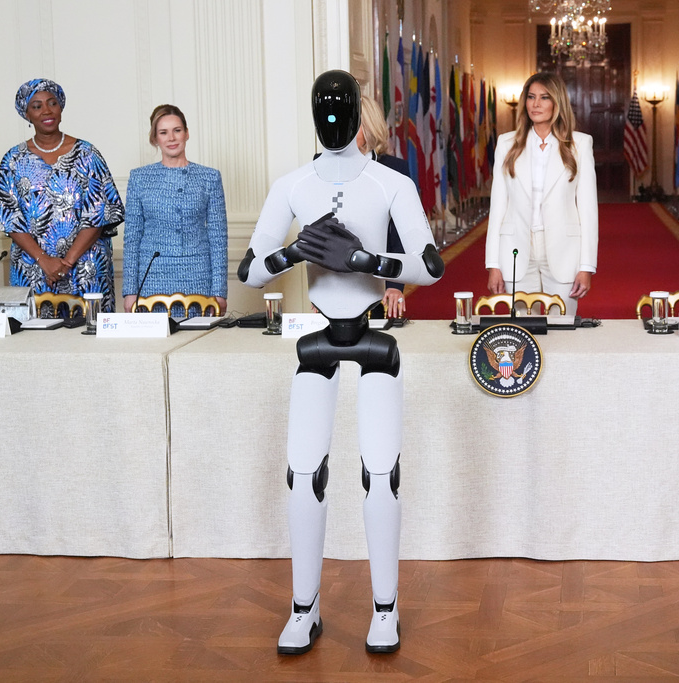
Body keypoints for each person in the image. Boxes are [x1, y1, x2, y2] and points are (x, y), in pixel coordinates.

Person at [238, 70, 443, 655]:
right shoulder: (293, 185)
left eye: (340, 106)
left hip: (372, 335)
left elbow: (429, 265)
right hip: (320, 337)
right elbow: (250, 270)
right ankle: (304, 607)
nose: (333, 117)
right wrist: (294, 252)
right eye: (323, 107)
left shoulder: (389, 184)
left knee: (381, 474)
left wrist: (364, 259)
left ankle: (386, 607)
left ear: (357, 111)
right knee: (304, 476)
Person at [0, 78, 124, 312]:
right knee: (34, 342)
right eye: (37, 106)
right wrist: (44, 260)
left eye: (52, 103)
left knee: (90, 341)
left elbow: (99, 213)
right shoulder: (13, 160)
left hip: (85, 267)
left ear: (61, 108)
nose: (47, 111)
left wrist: (66, 262)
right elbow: (8, 218)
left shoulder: (88, 154)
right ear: (26, 114)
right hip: (32, 268)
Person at [485, 71, 598, 316]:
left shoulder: (580, 144)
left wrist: (586, 266)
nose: (536, 104)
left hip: (564, 250)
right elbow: (498, 209)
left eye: (544, 98)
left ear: (557, 103)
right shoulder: (506, 144)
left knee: (562, 328)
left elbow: (588, 211)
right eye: (531, 97)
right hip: (515, 250)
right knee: (524, 332)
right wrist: (493, 264)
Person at [123, 104, 229, 315]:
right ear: (155, 139)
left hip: (198, 276)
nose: (171, 138)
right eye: (163, 132)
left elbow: (218, 237)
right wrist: (129, 291)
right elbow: (132, 238)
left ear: (186, 133)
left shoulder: (209, 177)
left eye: (177, 130)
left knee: (198, 343)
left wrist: (220, 290)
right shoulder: (139, 178)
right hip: (152, 278)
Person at [357, 95, 410, 319]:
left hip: (379, 279)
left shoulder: (394, 169)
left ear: (369, 127)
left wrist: (395, 283)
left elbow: (400, 232)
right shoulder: (322, 166)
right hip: (337, 282)